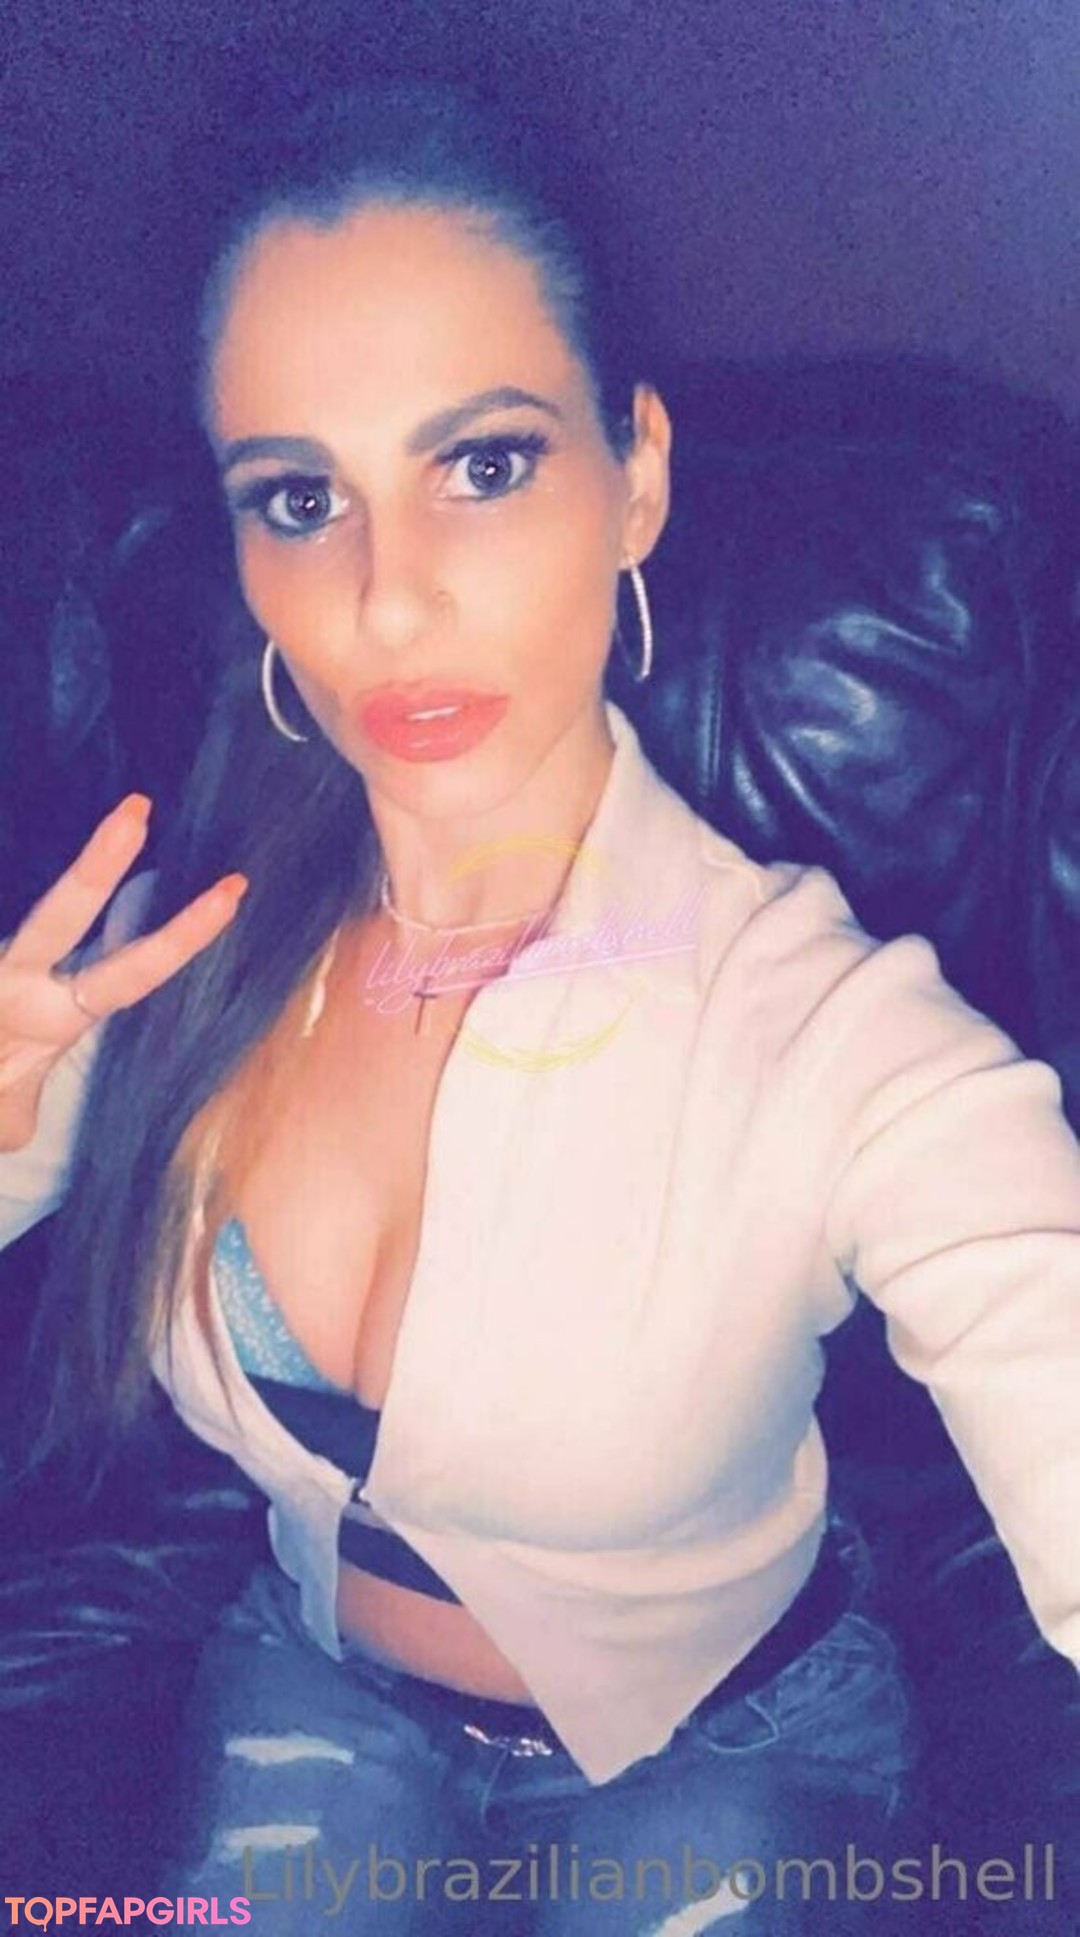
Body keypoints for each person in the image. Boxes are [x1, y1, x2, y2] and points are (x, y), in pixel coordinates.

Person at [1, 81, 1077, 1935]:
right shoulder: (178, 948)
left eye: (483, 465)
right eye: (300, 498)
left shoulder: (828, 1039)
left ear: (634, 475)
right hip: (317, 1675)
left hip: (726, 1737)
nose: (388, 599)